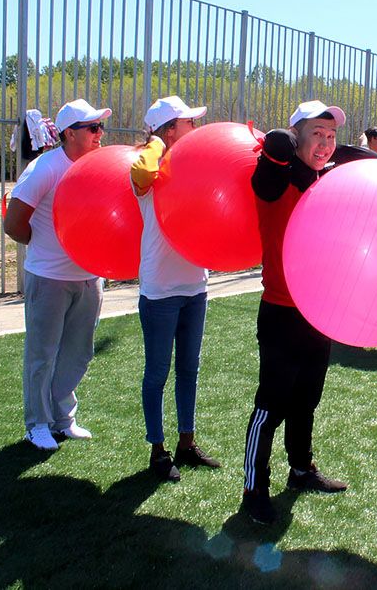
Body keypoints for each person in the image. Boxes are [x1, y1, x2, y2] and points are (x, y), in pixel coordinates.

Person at [240, 100, 349, 524]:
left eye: (331, 136)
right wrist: (288, 142)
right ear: (298, 138)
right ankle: (254, 487)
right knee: (272, 404)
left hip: (317, 315)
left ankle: (301, 469)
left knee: (307, 400)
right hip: (281, 313)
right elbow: (276, 145)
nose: (324, 144)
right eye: (315, 134)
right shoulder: (273, 179)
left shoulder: (327, 183)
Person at [4, 98, 110, 451]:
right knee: (42, 354)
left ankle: (63, 419)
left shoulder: (100, 166)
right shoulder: (45, 168)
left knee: (78, 352)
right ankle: (37, 424)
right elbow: (14, 223)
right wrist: (46, 245)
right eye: (93, 128)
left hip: (90, 276)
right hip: (49, 277)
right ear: (69, 134)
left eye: (101, 128)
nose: (100, 134)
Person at [129, 95, 221, 482]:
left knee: (189, 369)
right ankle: (157, 450)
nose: (196, 129)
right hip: (160, 289)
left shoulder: (192, 166)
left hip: (194, 285)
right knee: (157, 373)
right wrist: (157, 142)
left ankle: (186, 442)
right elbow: (141, 173)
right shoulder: (148, 166)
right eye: (187, 123)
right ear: (169, 130)